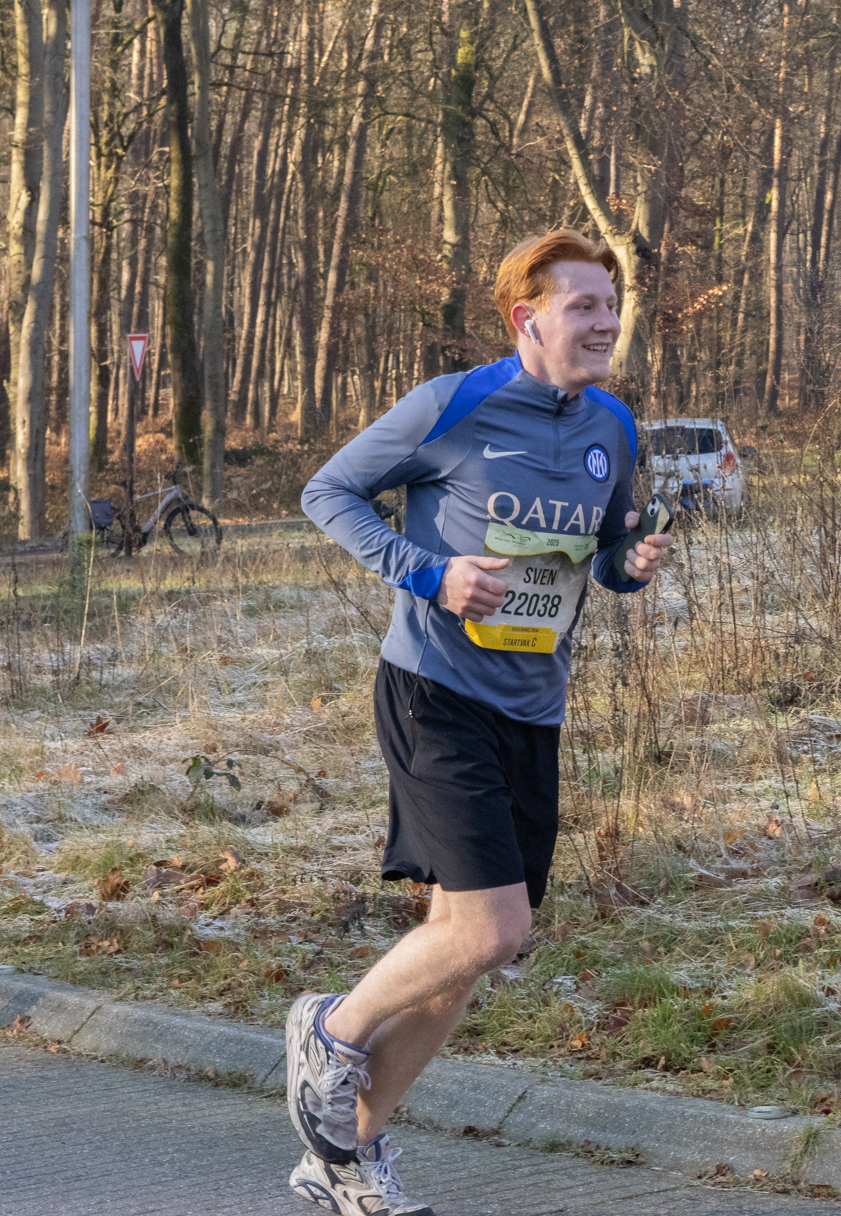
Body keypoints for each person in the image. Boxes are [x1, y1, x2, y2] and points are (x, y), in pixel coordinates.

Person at [293, 229, 674, 1216]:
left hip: (533, 709)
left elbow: (604, 552)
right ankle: (331, 1030)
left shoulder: (614, 426)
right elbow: (327, 492)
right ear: (527, 319)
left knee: (459, 954)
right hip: (435, 692)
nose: (605, 321)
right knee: (495, 929)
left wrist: (630, 564)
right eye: (583, 305)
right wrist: (429, 572)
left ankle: (347, 1154)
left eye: (610, 304)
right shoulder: (452, 405)